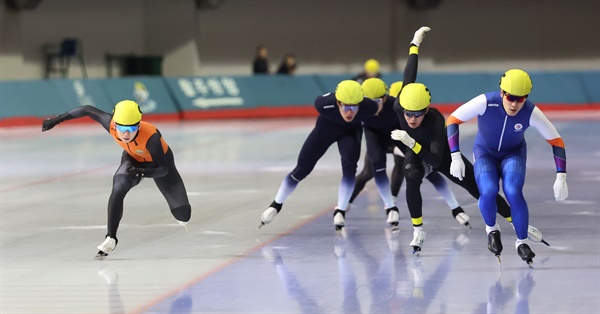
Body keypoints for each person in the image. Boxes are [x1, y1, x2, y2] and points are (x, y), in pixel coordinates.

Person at [390, 83, 546, 254]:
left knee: (480, 190)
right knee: (411, 177)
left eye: (418, 113)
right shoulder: (398, 106)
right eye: (408, 113)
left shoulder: (435, 119)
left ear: (426, 109)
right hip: (416, 157)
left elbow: (434, 160)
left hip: (442, 157)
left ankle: (515, 222)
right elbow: (408, 77)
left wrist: (411, 142)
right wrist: (413, 53)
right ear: (402, 108)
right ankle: (418, 231)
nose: (412, 119)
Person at [446, 69, 568, 265]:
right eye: (510, 97)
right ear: (502, 92)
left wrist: (561, 175)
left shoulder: (530, 112)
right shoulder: (485, 102)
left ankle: (522, 242)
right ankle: (492, 229)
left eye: (520, 99)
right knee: (488, 190)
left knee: (513, 191)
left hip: (514, 153)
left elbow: (556, 141)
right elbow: (453, 120)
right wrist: (455, 156)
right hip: (484, 152)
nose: (514, 104)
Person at [41, 100, 191, 257]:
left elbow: (163, 169)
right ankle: (111, 237)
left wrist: (142, 172)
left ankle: (180, 214)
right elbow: (87, 109)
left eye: (132, 128)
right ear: (115, 123)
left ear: (139, 125)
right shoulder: (110, 123)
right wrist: (57, 119)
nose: (126, 133)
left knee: (183, 215)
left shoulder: (151, 137)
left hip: (158, 164)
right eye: (122, 128)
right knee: (119, 186)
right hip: (133, 159)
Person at [257, 80, 383, 231]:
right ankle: (276, 205)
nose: (350, 112)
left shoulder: (369, 106)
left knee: (349, 170)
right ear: (337, 102)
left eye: (354, 106)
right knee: (301, 169)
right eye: (346, 106)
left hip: (350, 134)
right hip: (324, 131)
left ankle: (340, 210)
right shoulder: (323, 103)